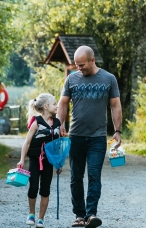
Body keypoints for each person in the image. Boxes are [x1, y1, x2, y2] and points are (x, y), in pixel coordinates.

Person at [58, 46, 122, 228]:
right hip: (76, 136)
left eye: (82, 65)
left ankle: (91, 214)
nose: (79, 68)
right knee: (76, 177)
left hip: (97, 137)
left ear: (93, 60)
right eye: (77, 65)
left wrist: (117, 131)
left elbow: (115, 106)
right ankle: (79, 215)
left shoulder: (109, 79)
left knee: (94, 176)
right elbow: (63, 103)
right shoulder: (71, 79)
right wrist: (60, 124)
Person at [17, 93, 62, 228]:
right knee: (34, 186)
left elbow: (58, 145)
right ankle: (31, 214)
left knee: (45, 189)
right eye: (54, 104)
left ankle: (41, 219)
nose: (57, 106)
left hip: (49, 160)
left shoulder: (57, 123)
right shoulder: (36, 122)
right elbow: (27, 142)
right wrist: (21, 160)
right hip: (35, 159)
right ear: (46, 106)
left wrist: (58, 163)